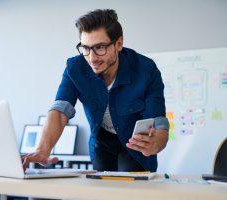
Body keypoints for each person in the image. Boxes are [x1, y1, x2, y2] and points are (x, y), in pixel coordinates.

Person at [22, 9, 169, 172]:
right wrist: (43, 150)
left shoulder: (146, 69)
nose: (92, 58)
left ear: (119, 44)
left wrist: (159, 141)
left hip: (135, 144)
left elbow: (158, 121)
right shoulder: (75, 68)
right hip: (102, 142)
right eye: (85, 48)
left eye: (100, 47)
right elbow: (60, 110)